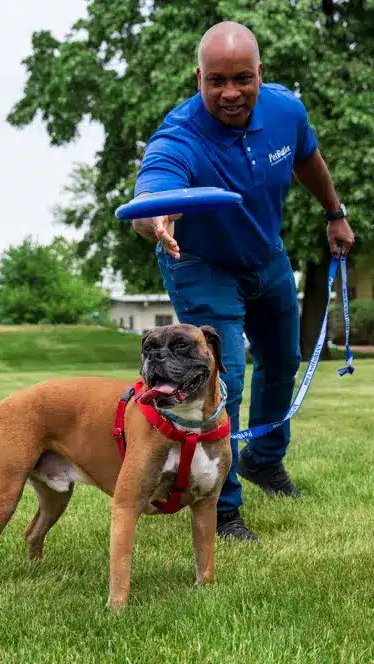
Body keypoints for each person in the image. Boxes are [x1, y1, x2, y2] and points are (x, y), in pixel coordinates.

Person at [130, 21, 355, 541]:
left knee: (281, 360)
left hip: (265, 253)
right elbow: (153, 190)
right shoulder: (178, 135)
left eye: (241, 79)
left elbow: (307, 158)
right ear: (199, 78)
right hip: (201, 263)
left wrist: (334, 213)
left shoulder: (285, 110)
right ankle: (223, 508)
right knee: (222, 375)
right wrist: (155, 219)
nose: (229, 93)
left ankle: (265, 460)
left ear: (260, 74)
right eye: (215, 81)